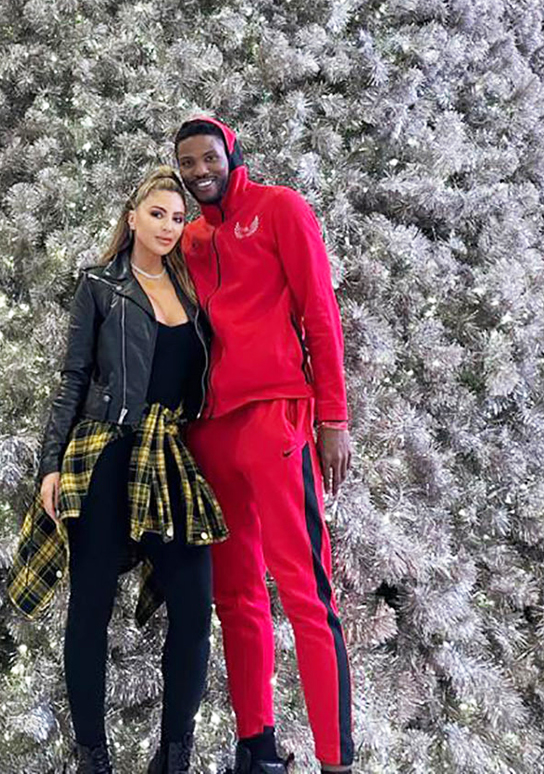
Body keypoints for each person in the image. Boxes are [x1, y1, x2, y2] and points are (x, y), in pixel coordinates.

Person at [10, 167, 227, 774]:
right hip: (105, 453)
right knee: (91, 605)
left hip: (166, 456)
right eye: (157, 213)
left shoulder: (192, 295)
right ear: (132, 218)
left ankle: (173, 756)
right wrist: (49, 465)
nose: (167, 225)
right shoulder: (100, 286)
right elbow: (73, 379)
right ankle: (92, 757)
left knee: (194, 604)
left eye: (178, 217)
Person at [174, 117, 354, 774]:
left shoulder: (280, 208)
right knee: (237, 595)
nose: (199, 170)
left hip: (279, 419)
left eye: (208, 157)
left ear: (232, 154)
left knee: (306, 591)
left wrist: (333, 417)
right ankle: (257, 747)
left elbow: (318, 311)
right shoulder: (189, 237)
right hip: (213, 431)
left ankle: (336, 758)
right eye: (187, 162)